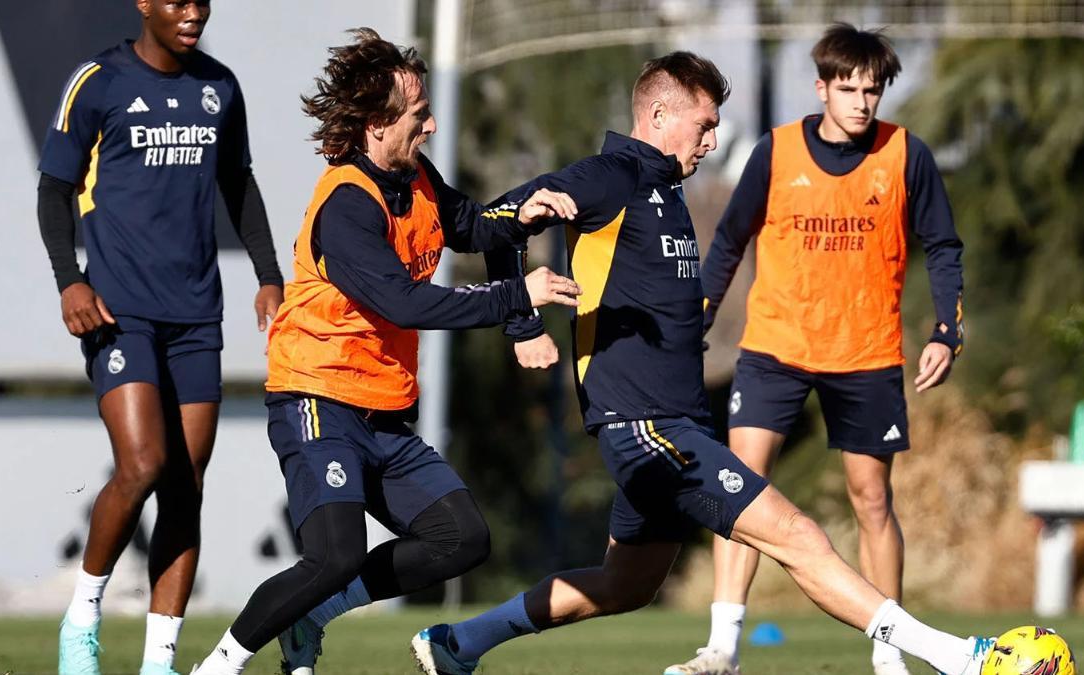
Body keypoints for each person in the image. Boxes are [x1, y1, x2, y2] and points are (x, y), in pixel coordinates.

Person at [410, 50, 991, 675]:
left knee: (626, 584)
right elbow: (501, 222)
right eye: (704, 125)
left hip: (674, 423)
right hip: (644, 425)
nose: (712, 141)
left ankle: (458, 643)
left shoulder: (664, 186)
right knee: (796, 536)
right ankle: (958, 657)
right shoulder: (609, 175)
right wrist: (523, 324)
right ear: (659, 115)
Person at [189, 28, 579, 675]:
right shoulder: (346, 204)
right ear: (376, 124)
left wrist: (521, 211)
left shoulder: (416, 177)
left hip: (383, 412)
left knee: (461, 537)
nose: (430, 126)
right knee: (334, 554)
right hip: (318, 398)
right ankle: (218, 666)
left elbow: (472, 225)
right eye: (418, 115)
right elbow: (406, 303)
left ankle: (312, 615)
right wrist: (517, 297)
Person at [665, 23, 965, 675]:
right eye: (849, 89)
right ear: (822, 87)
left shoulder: (906, 154)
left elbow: (943, 246)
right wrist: (700, 316)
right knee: (739, 484)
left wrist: (947, 330)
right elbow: (729, 241)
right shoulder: (776, 152)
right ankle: (723, 648)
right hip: (776, 345)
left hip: (867, 351)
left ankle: (889, 652)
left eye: (873, 90)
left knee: (871, 497)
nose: (862, 102)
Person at [38, 1, 284, 674]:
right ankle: (82, 617)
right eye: (177, 1)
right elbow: (53, 190)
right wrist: (70, 281)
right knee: (142, 464)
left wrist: (268, 275)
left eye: (201, 2)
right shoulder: (99, 81)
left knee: (184, 485)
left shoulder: (220, 86)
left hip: (197, 316)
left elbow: (239, 183)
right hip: (119, 311)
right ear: (144, 4)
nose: (193, 13)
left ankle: (159, 661)